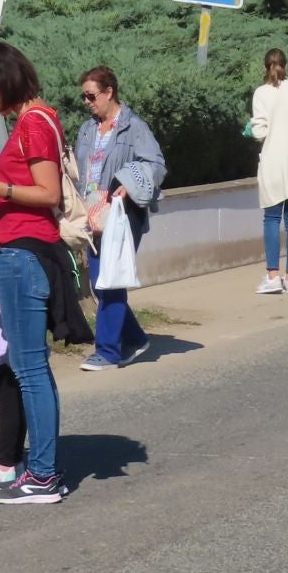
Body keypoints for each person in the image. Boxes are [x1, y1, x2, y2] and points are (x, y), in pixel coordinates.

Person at [0, 42, 88, 502]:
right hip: (21, 253)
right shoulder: (36, 120)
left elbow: (47, 193)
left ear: (4, 79)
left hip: (25, 256)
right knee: (31, 368)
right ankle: (39, 469)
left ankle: (43, 475)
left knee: (29, 369)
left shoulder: (32, 122)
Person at [74, 66, 167, 370]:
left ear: (109, 91)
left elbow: (155, 164)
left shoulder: (134, 128)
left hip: (123, 214)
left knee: (108, 281)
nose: (87, 102)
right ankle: (136, 339)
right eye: (84, 97)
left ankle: (109, 351)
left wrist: (128, 184)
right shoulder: (88, 129)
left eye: (91, 96)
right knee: (101, 282)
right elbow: (81, 170)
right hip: (93, 213)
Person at [251, 48, 288, 295]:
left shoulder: (261, 93)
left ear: (265, 66)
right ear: (286, 64)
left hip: (273, 164)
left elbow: (259, 131)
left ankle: (273, 275)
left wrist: (252, 131)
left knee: (272, 219)